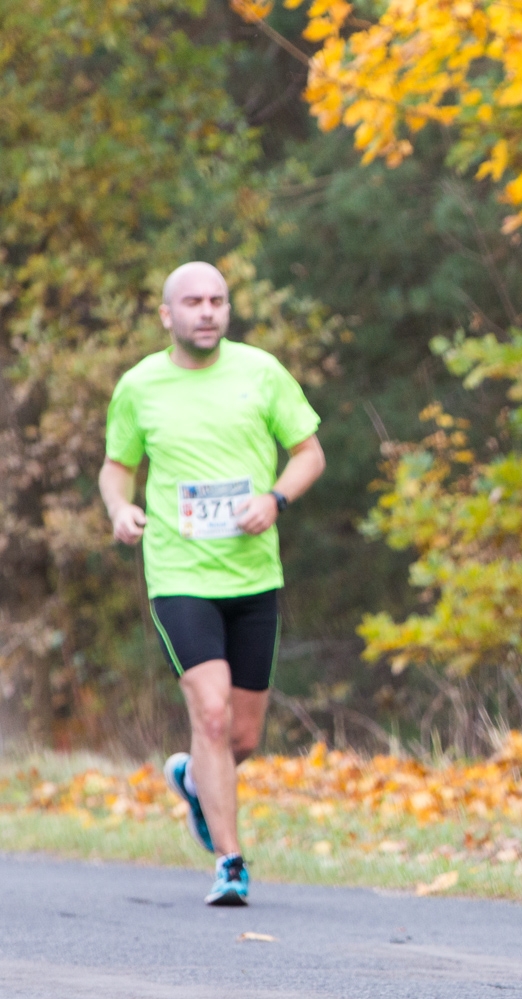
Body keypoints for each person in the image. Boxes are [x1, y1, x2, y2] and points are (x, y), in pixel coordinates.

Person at [99, 262, 326, 906]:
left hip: (254, 574)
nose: (207, 311)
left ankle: (196, 781)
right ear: (167, 314)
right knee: (213, 712)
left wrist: (276, 499)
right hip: (178, 573)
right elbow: (117, 469)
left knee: (243, 736)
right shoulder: (140, 386)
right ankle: (230, 861)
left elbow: (310, 452)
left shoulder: (261, 372)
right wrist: (121, 509)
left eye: (217, 300)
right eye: (193, 302)